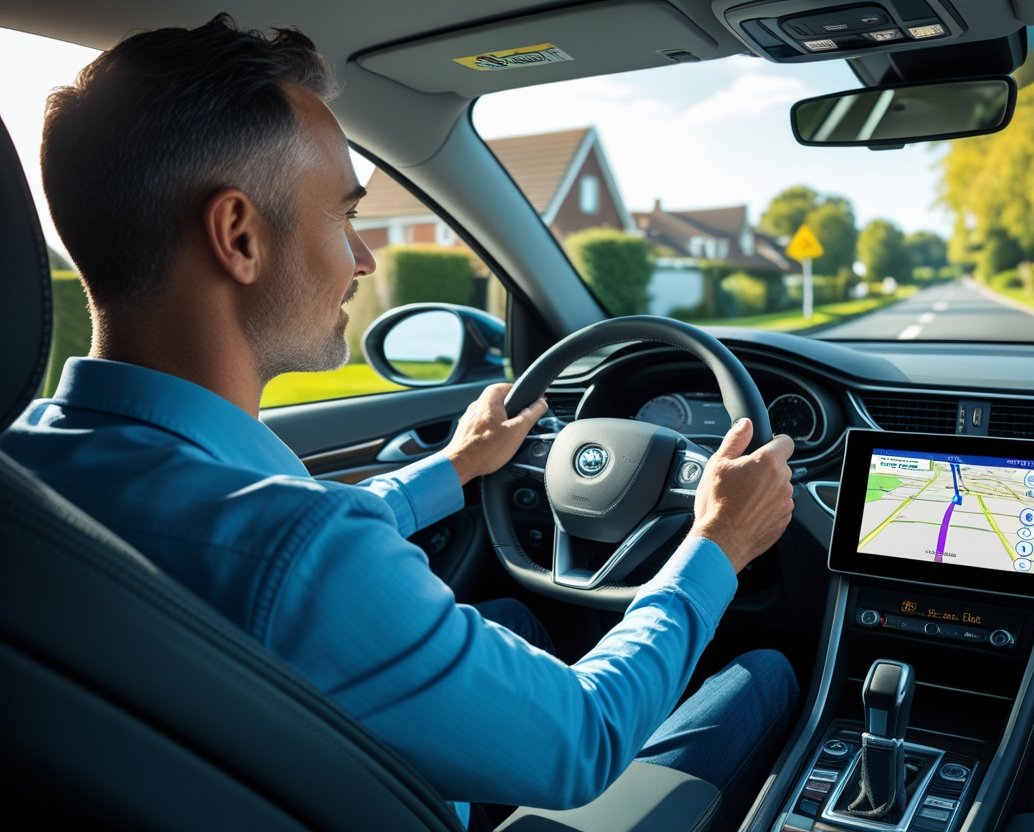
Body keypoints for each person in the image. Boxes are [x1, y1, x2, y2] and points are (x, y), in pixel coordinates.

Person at [2, 14, 799, 829]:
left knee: (520, 620)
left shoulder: (28, 472)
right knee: (768, 672)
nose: (364, 258)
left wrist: (456, 466)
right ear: (238, 235)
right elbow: (585, 740)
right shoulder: (299, 548)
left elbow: (274, 546)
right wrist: (716, 545)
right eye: (344, 216)